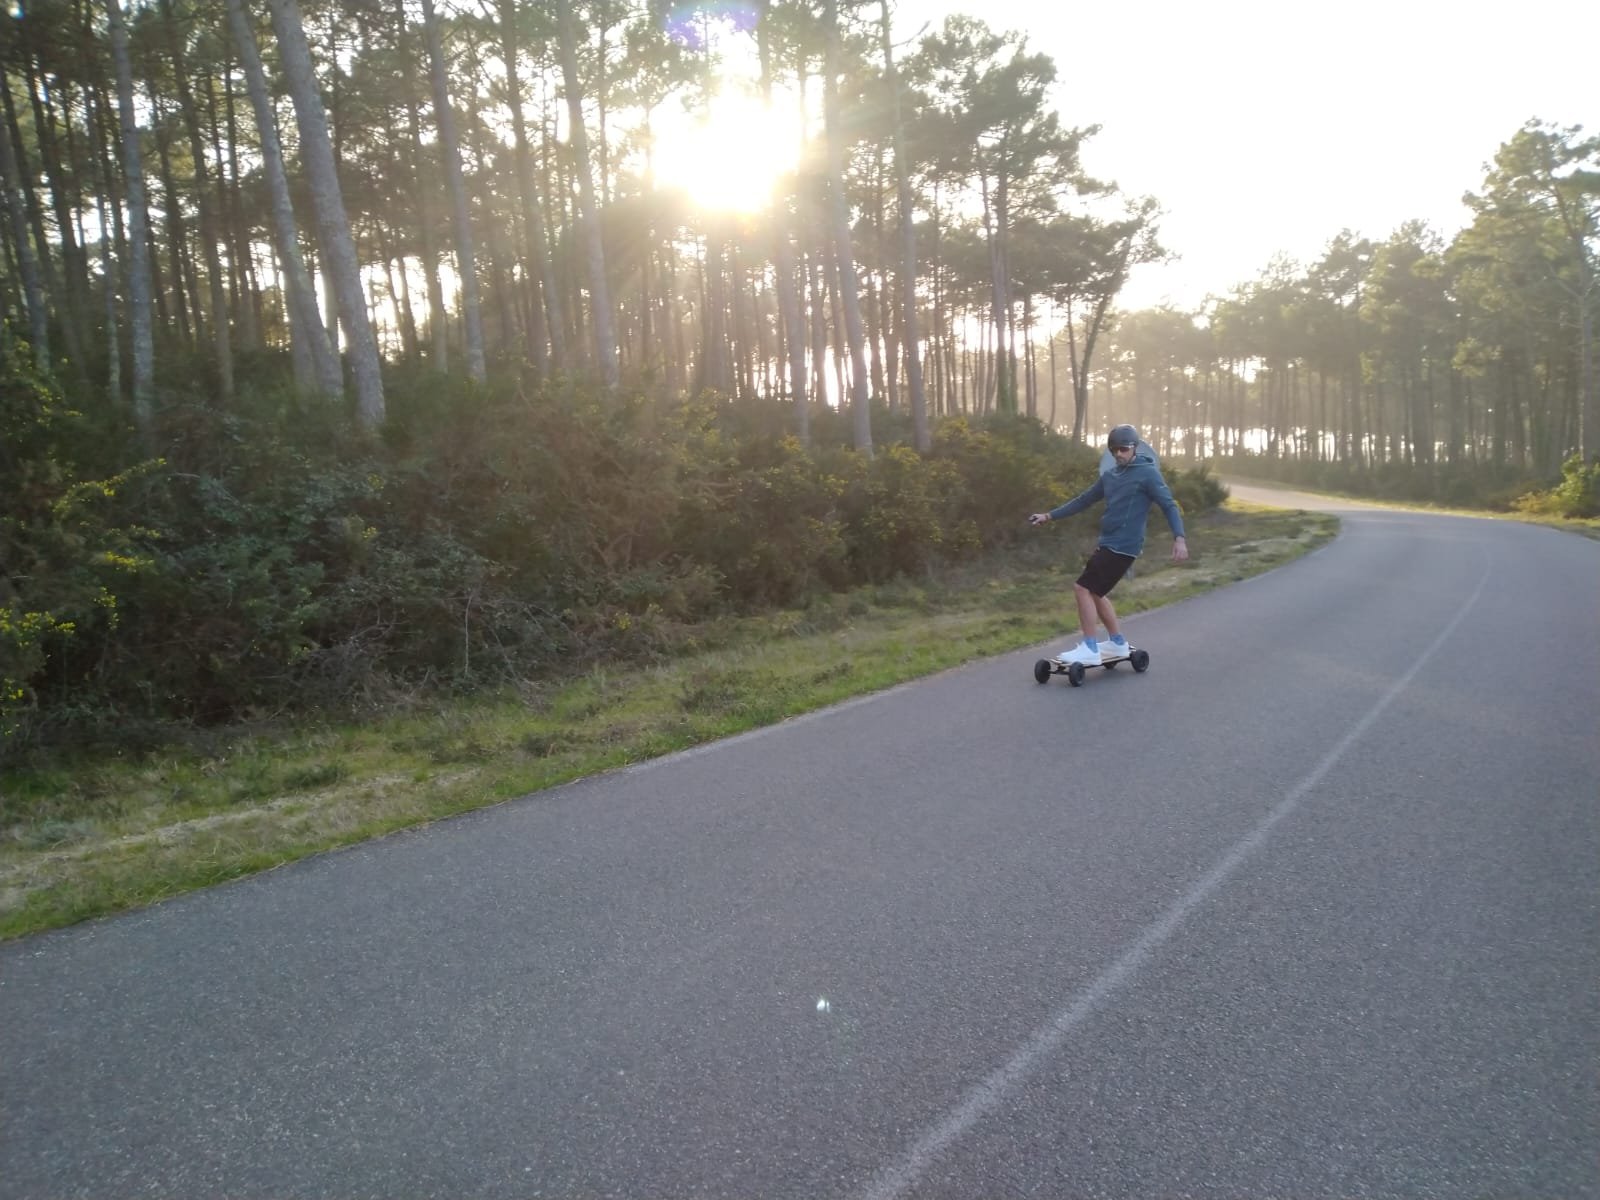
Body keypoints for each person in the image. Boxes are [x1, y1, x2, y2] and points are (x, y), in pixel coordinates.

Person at [1029, 424, 1188, 666]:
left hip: (1125, 545)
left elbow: (1169, 505)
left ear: (1134, 448)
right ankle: (1117, 642)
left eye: (1123, 449)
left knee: (1082, 588)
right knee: (1095, 592)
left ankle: (1090, 647)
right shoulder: (1111, 476)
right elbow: (1083, 500)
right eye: (1114, 450)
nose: (1118, 454)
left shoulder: (1147, 474)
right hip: (1108, 543)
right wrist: (1049, 516)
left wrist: (1179, 538)